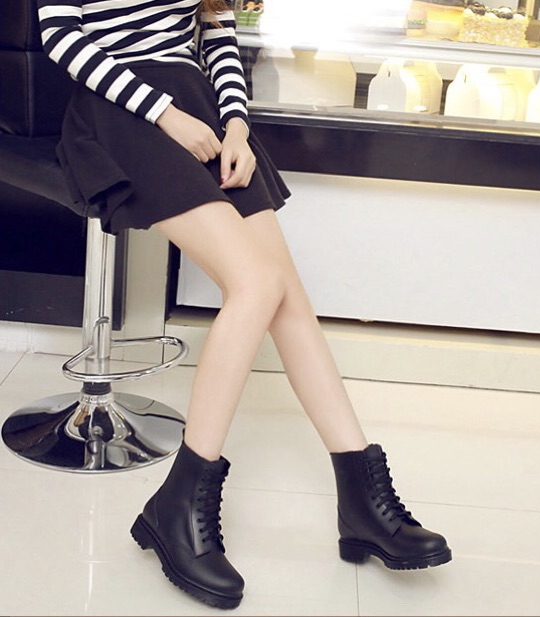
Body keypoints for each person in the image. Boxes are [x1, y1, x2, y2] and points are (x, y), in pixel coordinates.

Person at [37, 0, 452, 609]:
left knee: (285, 295)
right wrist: (165, 115)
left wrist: (236, 124)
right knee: (256, 284)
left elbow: (217, 30)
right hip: (123, 108)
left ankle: (363, 498)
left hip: (201, 108)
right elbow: (58, 36)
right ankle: (179, 505)